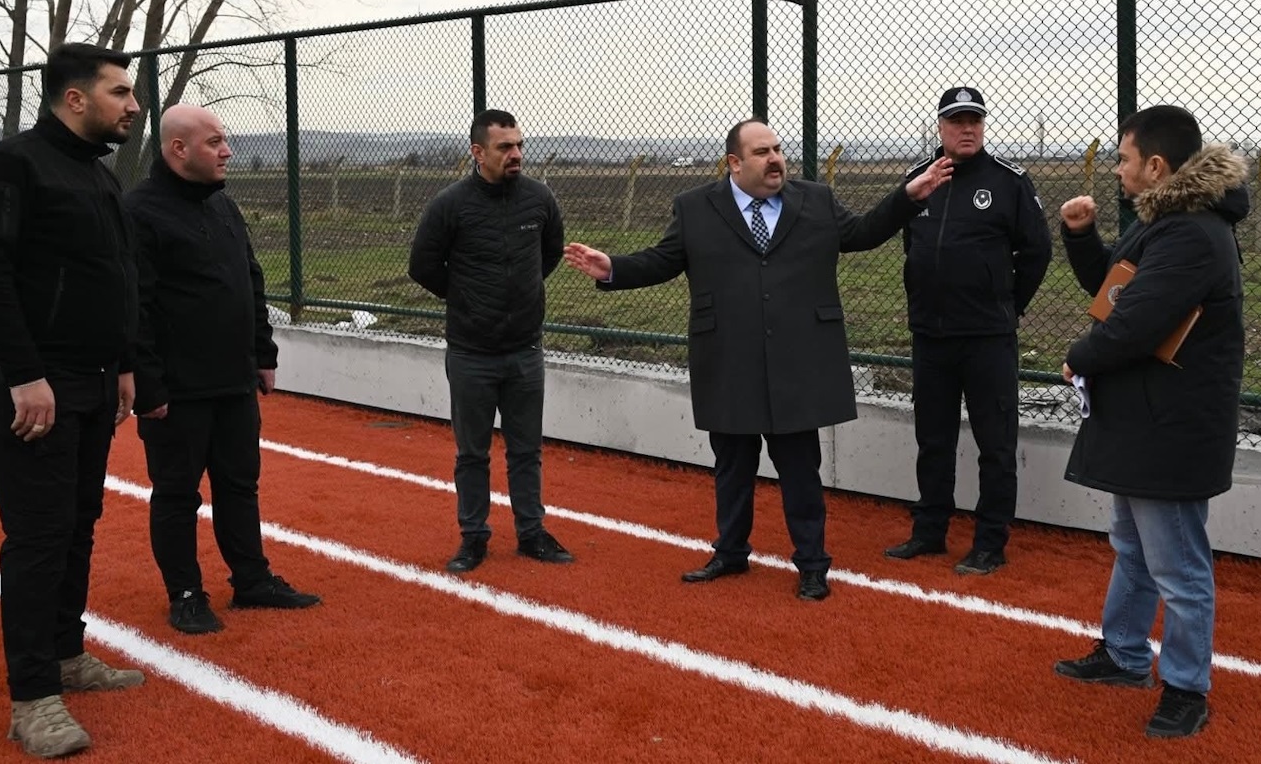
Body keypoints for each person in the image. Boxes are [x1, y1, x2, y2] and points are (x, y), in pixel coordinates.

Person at [562, 118, 954, 601]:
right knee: (732, 464)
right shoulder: (695, 208)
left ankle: (812, 564)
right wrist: (613, 268)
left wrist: (907, 196)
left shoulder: (816, 200)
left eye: (778, 149)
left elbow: (865, 233)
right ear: (735, 162)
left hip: (798, 359)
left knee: (799, 467)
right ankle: (730, 552)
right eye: (763, 152)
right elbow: (664, 260)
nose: (775, 160)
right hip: (729, 357)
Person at [0, 42, 147, 758]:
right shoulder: (10, 165)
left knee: (78, 523)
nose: (134, 105)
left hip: (95, 378)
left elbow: (115, 275)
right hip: (34, 381)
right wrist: (23, 372)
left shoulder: (96, 175)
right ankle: (33, 698)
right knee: (38, 534)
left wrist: (124, 363)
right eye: (120, 92)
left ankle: (67, 654)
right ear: (75, 99)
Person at [1051, 105, 1249, 739]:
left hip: (1171, 426)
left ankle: (1187, 687)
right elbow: (1117, 294)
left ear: (1156, 166)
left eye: (1124, 158)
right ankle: (1126, 654)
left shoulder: (1192, 233)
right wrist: (1082, 238)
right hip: (1146, 418)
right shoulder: (1167, 225)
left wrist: (1078, 358)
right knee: (1134, 547)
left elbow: (1134, 324)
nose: (1118, 168)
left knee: (1179, 566)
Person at [126, 104, 322, 635]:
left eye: (224, 141)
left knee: (240, 485)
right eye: (214, 142)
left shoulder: (223, 207)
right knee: (177, 493)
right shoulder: (140, 212)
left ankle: (251, 580)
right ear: (177, 150)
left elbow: (250, 281)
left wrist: (263, 354)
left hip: (233, 380)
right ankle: (186, 593)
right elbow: (135, 307)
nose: (227, 151)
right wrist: (149, 385)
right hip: (178, 390)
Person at [884, 87, 1052, 575]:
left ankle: (989, 542)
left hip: (987, 340)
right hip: (931, 338)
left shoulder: (1009, 183)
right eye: (957, 120)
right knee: (932, 439)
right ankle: (930, 531)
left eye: (974, 120)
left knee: (994, 444)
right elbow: (909, 245)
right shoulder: (919, 180)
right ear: (940, 127)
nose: (967, 128)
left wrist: (1008, 307)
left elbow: (1037, 253)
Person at [409, 109, 573, 572]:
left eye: (520, 145)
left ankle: (531, 532)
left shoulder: (540, 199)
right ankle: (474, 537)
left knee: (527, 450)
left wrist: (518, 294)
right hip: (471, 353)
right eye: (505, 147)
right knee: (472, 453)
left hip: (525, 350)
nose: (516, 154)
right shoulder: (450, 204)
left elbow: (549, 255)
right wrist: (466, 299)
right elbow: (422, 266)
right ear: (478, 153)